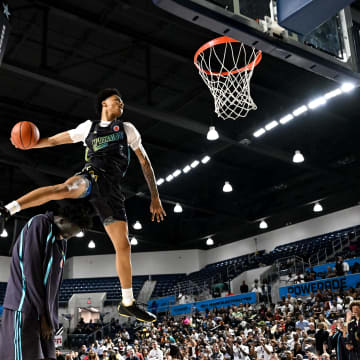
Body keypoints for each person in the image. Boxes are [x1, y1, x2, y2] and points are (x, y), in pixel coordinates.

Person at [1, 88, 166, 322]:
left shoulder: (127, 129)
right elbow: (54, 140)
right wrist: (30, 145)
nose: (122, 104)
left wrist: (155, 196)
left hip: (111, 192)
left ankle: (127, 303)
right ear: (103, 104)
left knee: (124, 246)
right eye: (116, 100)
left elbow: (145, 162)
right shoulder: (88, 127)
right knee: (63, 189)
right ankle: (8, 209)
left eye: (122, 101)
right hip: (91, 177)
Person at [0, 201, 92, 360]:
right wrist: (44, 316)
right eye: (68, 234)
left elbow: (53, 287)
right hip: (23, 308)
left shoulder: (61, 241)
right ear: (61, 220)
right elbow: (31, 274)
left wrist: (50, 319)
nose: (68, 237)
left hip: (42, 314)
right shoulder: (39, 223)